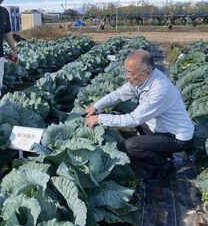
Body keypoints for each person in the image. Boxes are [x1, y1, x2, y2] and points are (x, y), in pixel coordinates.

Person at [83, 49, 194, 184]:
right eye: (126, 71)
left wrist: (99, 118)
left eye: (130, 73)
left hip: (177, 137)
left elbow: (133, 120)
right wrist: (95, 107)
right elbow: (118, 94)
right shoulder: (142, 79)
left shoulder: (160, 89)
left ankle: (165, 167)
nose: (127, 77)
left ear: (146, 72)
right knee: (136, 122)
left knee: (132, 145)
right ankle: (161, 152)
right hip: (161, 128)